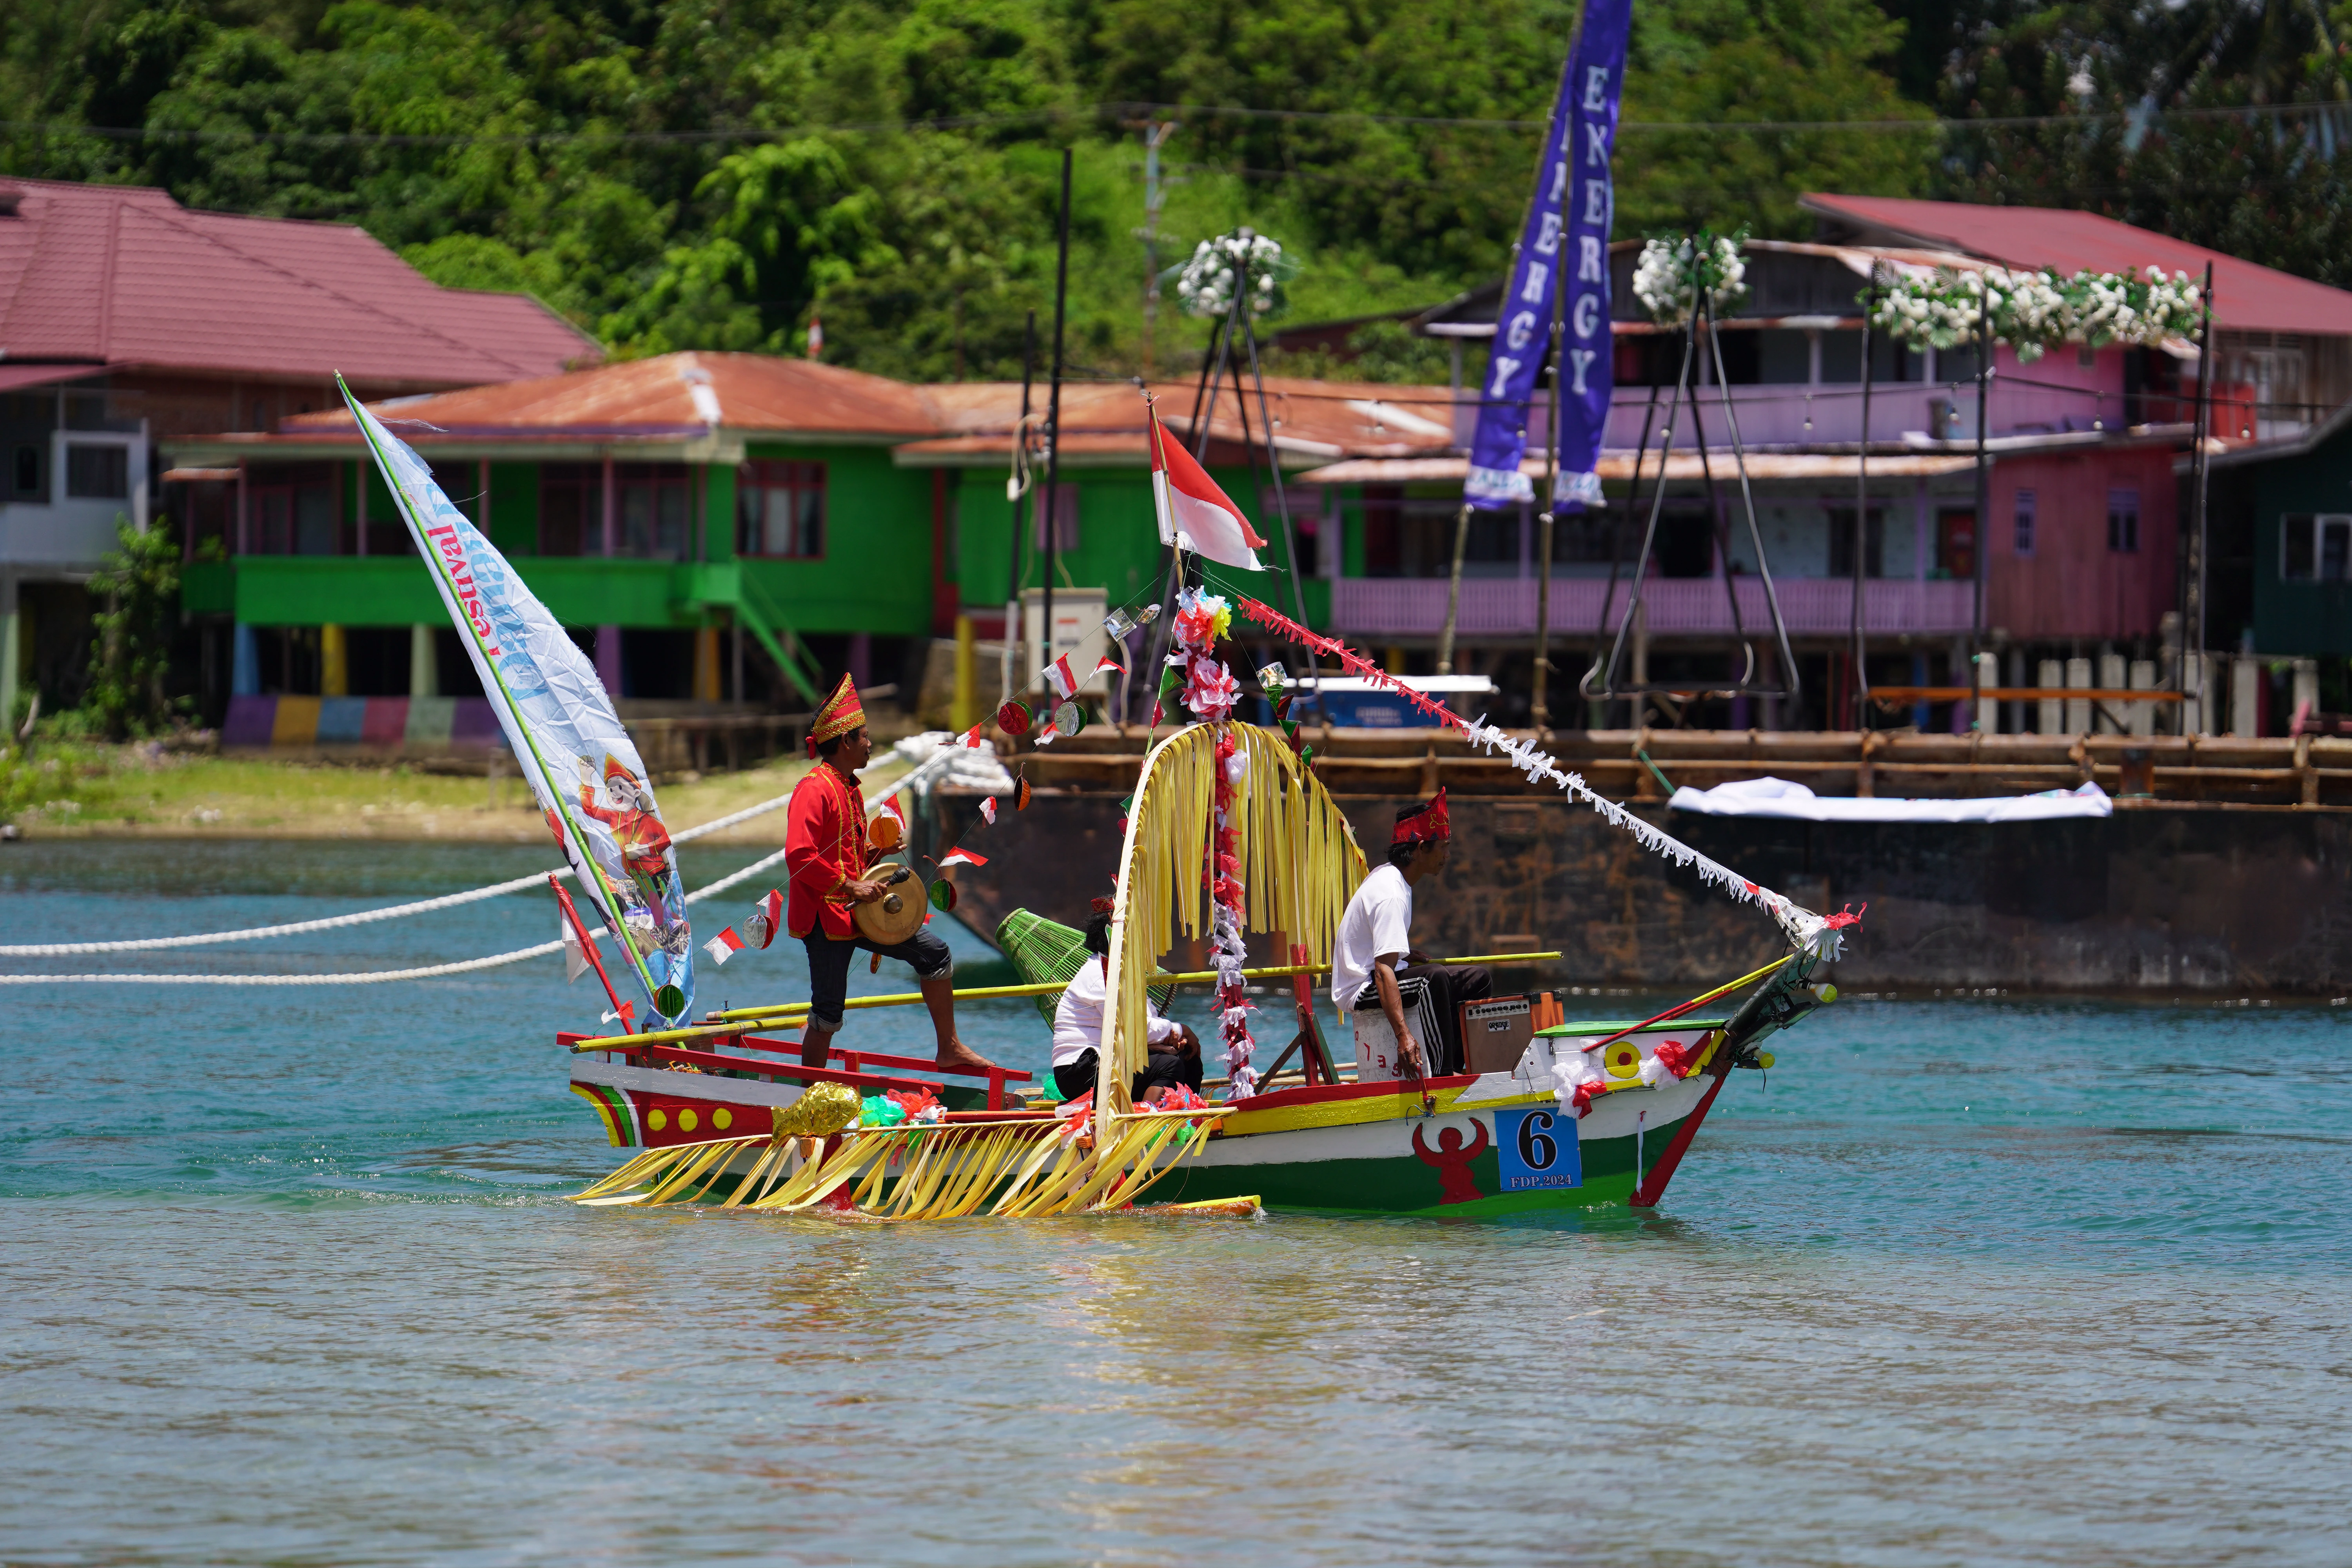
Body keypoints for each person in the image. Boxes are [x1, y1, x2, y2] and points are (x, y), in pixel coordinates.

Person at [785, 674, 998, 1076]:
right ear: (845, 741)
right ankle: (806, 1094)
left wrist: (876, 851)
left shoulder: (849, 787)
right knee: (828, 1013)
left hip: (859, 910)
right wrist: (851, 885)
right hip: (826, 917)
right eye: (864, 736)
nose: (870, 744)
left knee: (935, 954)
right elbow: (799, 856)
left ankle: (948, 1049)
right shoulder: (814, 789)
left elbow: (845, 857)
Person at [1328, 788, 1491, 1077]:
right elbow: (1381, 971)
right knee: (1434, 979)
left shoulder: (1395, 878)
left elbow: (1382, 952)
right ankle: (1443, 1074)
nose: (1448, 855)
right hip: (1360, 987)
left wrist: (1403, 954)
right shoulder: (1392, 892)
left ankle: (1466, 1064)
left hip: (1378, 973)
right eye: (1443, 847)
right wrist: (1403, 1035)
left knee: (1477, 980)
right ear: (1420, 850)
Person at [1051, 898, 1204, 1104]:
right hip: (1080, 1069)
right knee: (1169, 1065)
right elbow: (1132, 1029)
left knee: (1187, 1059)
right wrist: (1180, 1029)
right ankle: (1145, 1126)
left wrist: (1174, 1038)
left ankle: (1187, 1118)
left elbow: (1147, 1021)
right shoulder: (1101, 974)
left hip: (1107, 1060)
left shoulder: (1121, 974)